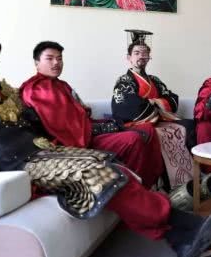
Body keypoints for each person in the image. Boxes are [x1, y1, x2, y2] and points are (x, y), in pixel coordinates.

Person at [0, 33, 211, 257]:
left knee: (108, 163)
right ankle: (178, 228)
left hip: (36, 150)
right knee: (92, 173)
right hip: (10, 163)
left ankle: (178, 229)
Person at [19, 41, 164, 188]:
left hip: (86, 131)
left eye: (59, 58)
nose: (56, 62)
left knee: (148, 129)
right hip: (76, 141)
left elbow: (81, 114)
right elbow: (63, 127)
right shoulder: (36, 89)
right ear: (37, 62)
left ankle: (150, 182)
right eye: (50, 58)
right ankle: (134, 188)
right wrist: (103, 127)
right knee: (133, 139)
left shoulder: (62, 84)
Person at [111, 30, 194, 189]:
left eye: (145, 53)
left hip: (159, 120)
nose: (141, 56)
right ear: (129, 58)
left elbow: (172, 99)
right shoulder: (124, 81)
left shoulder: (155, 80)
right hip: (138, 123)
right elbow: (129, 106)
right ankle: (166, 183)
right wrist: (157, 104)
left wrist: (152, 101)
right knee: (158, 134)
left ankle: (190, 179)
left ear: (149, 57)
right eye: (137, 53)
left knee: (189, 125)